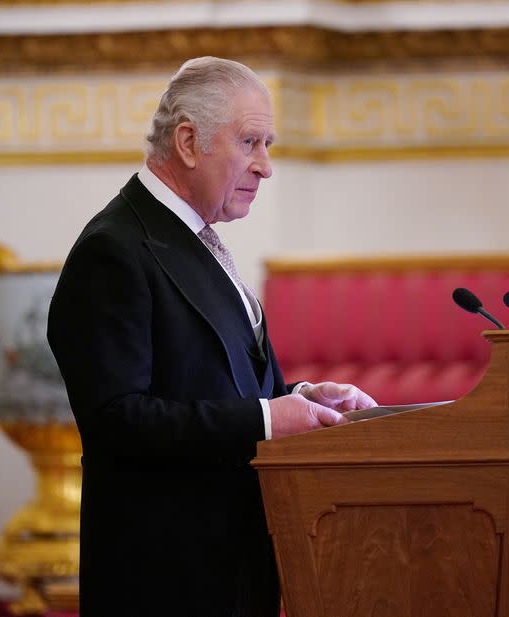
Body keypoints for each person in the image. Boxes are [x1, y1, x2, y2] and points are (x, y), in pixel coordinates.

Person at [47, 56, 377, 617]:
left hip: (233, 570)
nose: (266, 166)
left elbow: (224, 384)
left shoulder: (194, 238)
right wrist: (269, 420)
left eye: (267, 143)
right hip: (164, 580)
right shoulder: (115, 249)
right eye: (251, 142)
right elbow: (115, 419)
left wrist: (298, 398)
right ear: (188, 141)